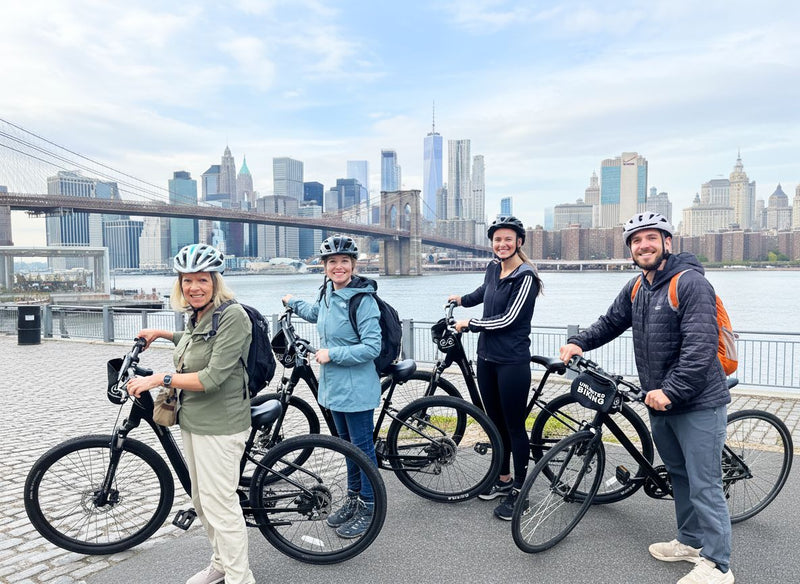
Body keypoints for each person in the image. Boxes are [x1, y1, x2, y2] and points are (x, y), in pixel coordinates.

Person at [559, 212, 733, 584]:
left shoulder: (690, 284)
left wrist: (671, 390)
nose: (643, 245)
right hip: (660, 401)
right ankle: (689, 542)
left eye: (651, 238)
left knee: (705, 483)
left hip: (698, 402)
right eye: (636, 241)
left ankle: (719, 565)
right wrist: (579, 341)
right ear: (631, 250)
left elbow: (700, 347)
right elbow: (611, 321)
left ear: (667, 243)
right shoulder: (638, 287)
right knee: (680, 476)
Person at [127, 244, 255, 584]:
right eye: (187, 280)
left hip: (222, 426)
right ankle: (221, 564)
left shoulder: (233, 316)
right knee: (202, 502)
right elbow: (196, 341)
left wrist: (158, 378)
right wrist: (162, 333)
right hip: (194, 421)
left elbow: (211, 377)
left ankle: (240, 579)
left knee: (221, 506)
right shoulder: (200, 315)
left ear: (215, 281)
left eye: (202, 280)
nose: (194, 287)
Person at [281, 234, 381, 539]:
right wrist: (292, 301)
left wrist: (332, 353)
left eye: (344, 261)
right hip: (334, 388)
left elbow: (372, 347)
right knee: (346, 447)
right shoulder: (326, 293)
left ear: (353, 265)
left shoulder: (363, 300)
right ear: (325, 266)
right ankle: (354, 498)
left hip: (357, 388)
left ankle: (371, 504)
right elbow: (316, 314)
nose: (339, 267)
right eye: (332, 262)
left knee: (362, 448)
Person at [448, 215, 542, 520]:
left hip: (512, 361)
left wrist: (470, 324)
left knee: (514, 427)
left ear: (519, 242)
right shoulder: (493, 268)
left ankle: (520, 490)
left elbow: (508, 319)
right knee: (495, 423)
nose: (502, 244)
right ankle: (501, 480)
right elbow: (483, 292)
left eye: (508, 239)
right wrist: (461, 300)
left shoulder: (526, 277)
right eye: (497, 239)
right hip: (487, 358)